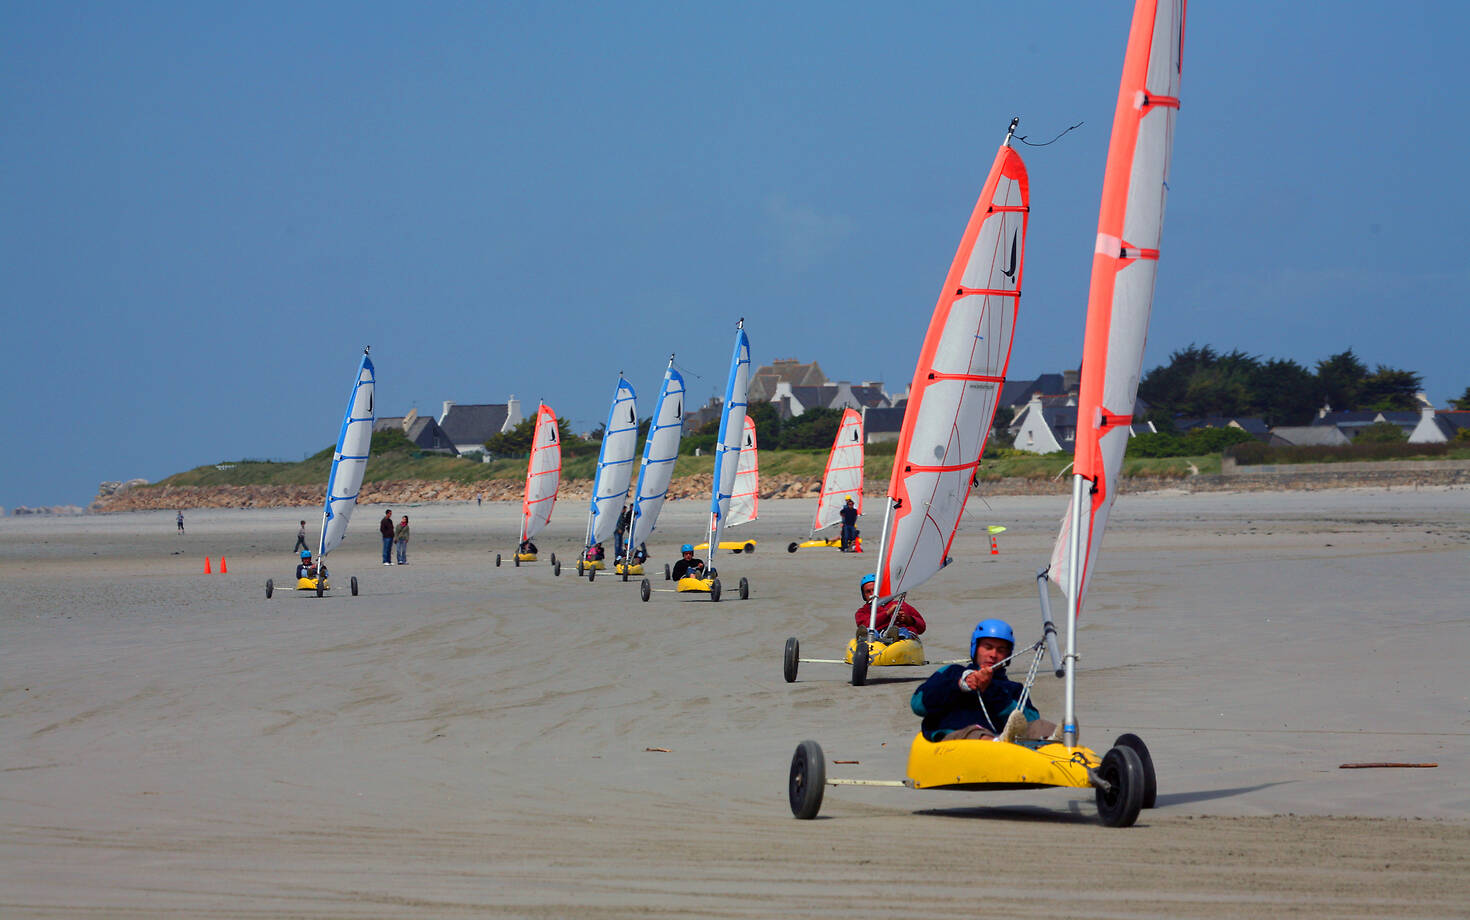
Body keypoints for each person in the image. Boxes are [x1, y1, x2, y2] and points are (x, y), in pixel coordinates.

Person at [910, 619, 1056, 742]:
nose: (993, 654)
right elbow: (918, 705)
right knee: (979, 734)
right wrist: (960, 684)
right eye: (988, 647)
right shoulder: (952, 673)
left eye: (1000, 650)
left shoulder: (1012, 688)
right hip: (956, 739)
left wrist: (990, 690)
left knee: (1043, 727)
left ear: (1007, 655)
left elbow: (1031, 720)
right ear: (976, 648)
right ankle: (995, 745)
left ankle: (1062, 751)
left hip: (1001, 741)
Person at [853, 574, 926, 638]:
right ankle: (864, 640)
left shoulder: (900, 604)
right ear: (864, 595)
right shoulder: (862, 612)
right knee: (869, 631)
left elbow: (922, 627)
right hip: (878, 637)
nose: (872, 594)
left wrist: (909, 619)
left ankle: (894, 637)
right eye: (868, 592)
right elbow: (865, 624)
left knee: (902, 631)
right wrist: (887, 613)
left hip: (902, 636)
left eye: (875, 590)